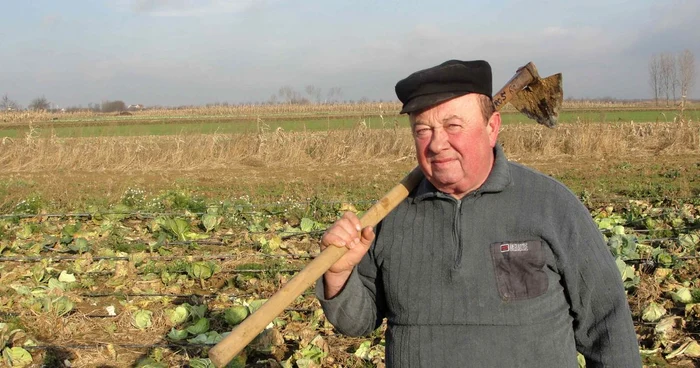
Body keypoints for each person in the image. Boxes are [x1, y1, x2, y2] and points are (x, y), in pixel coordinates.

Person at [315, 59, 641, 367]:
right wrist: (339, 274)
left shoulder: (551, 206)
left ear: (492, 127)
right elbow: (357, 321)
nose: (436, 144)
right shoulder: (393, 216)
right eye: (422, 130)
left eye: (453, 125)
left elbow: (607, 324)